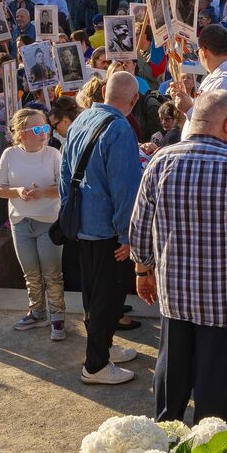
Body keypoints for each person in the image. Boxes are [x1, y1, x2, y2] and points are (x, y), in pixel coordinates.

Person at [130, 91, 227, 423]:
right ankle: (209, 443)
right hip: (224, 298)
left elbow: (140, 225)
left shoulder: (161, 160)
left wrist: (143, 270)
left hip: (174, 293)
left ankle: (166, 433)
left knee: (172, 368)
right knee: (216, 378)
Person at [61, 71, 143, 383]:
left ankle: (104, 349)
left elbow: (64, 173)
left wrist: (70, 213)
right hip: (107, 229)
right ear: (134, 100)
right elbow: (125, 188)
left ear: (105, 90)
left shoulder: (81, 119)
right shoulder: (120, 128)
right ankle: (95, 365)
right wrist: (127, 234)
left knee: (93, 294)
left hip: (82, 223)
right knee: (106, 297)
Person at [0, 108, 66, 341]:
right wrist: (17, 191)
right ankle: (37, 313)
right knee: (31, 273)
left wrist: (42, 192)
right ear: (22, 133)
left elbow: (64, 188)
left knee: (52, 274)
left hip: (49, 222)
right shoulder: (9, 154)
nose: (44, 133)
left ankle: (57, 317)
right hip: (20, 222)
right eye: (38, 129)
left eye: (45, 127)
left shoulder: (53, 154)